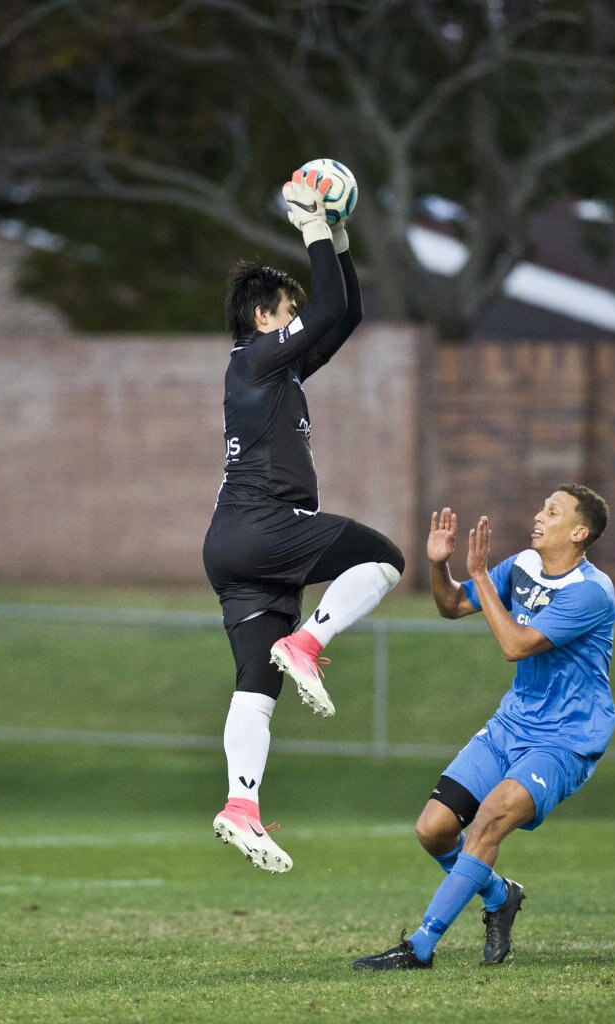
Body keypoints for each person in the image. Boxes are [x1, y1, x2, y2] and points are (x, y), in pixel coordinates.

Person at [202, 167, 404, 874]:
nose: (294, 321)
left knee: (255, 688)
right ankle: (311, 643)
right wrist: (312, 225)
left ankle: (241, 807)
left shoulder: (273, 371)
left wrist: (339, 233)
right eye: (284, 311)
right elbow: (317, 318)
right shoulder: (257, 358)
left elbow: (340, 316)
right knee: (382, 559)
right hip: (265, 525)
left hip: (232, 543)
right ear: (264, 320)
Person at [353, 485, 615, 969]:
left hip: (565, 738)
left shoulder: (591, 592)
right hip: (511, 725)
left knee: (490, 818)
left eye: (552, 512)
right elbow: (452, 605)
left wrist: (479, 574)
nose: (539, 515)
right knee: (433, 830)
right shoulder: (521, 567)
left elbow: (517, 644)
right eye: (541, 506)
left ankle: (420, 947)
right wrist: (439, 566)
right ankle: (499, 895)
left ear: (579, 533)